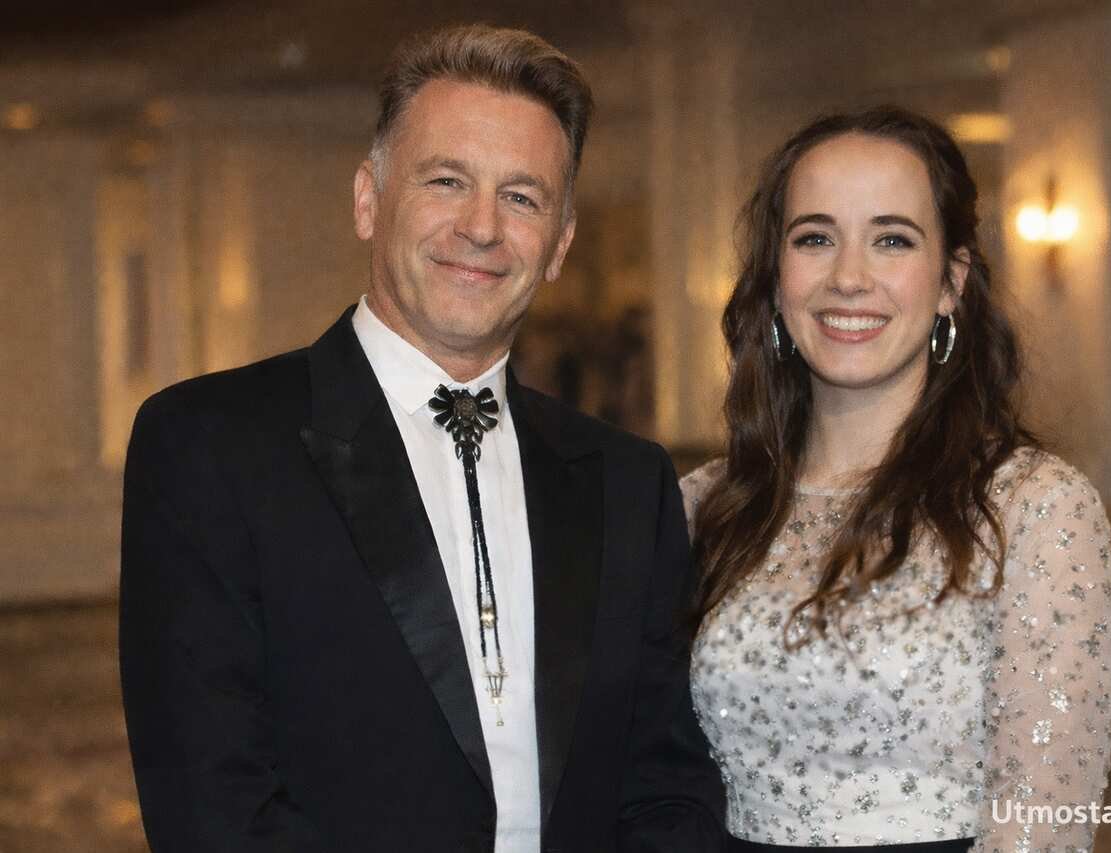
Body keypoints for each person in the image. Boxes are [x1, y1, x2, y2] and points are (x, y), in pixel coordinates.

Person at [119, 24, 724, 853]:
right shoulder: (210, 446)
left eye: (522, 197)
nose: (482, 227)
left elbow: (668, 783)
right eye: (446, 181)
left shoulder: (628, 482)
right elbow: (212, 805)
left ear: (559, 243)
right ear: (368, 200)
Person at [681, 107, 1111, 852]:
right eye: (815, 238)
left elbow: (1040, 826)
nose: (849, 277)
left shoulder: (1035, 509)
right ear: (777, 280)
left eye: (892, 239)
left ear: (952, 281)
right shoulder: (703, 505)